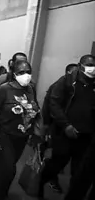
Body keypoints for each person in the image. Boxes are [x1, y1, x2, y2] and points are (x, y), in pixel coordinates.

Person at [0, 59, 44, 200]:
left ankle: (2, 192)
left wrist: (37, 132)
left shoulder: (30, 89)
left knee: (8, 169)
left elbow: (34, 108)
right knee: (8, 170)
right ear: (14, 73)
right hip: (5, 135)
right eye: (21, 72)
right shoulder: (5, 89)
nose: (26, 75)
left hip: (22, 136)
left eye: (28, 72)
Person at [38, 54, 95, 199]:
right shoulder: (67, 81)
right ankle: (39, 183)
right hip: (65, 133)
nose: (92, 69)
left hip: (86, 135)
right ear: (80, 65)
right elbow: (54, 104)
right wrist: (66, 125)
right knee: (57, 164)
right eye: (88, 65)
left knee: (79, 171)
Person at [40, 63, 78, 193]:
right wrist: (45, 126)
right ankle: (44, 181)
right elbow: (49, 106)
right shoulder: (59, 85)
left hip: (79, 132)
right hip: (59, 128)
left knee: (77, 166)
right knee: (56, 159)